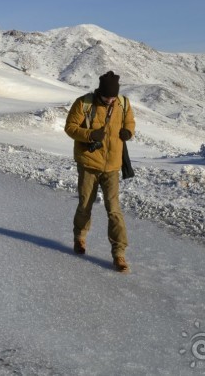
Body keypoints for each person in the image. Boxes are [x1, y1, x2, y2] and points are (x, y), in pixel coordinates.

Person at [64, 71, 135, 272]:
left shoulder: (123, 104)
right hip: (88, 163)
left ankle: (119, 254)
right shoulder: (84, 104)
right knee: (85, 204)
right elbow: (70, 127)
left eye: (113, 97)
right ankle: (80, 237)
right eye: (107, 97)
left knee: (114, 210)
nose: (110, 100)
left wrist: (128, 132)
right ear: (99, 92)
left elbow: (130, 122)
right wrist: (89, 135)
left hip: (112, 165)